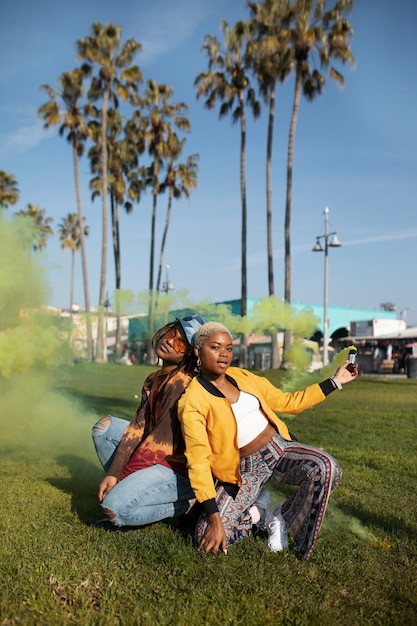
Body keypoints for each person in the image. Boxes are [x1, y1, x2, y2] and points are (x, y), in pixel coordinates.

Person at [178, 321, 358, 560]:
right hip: (245, 471)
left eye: (229, 348)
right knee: (204, 536)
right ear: (198, 351)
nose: (224, 354)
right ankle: (258, 513)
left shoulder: (241, 376)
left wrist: (334, 381)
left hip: (279, 449)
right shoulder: (192, 400)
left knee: (327, 468)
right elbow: (198, 460)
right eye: (216, 347)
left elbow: (289, 402)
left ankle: (280, 515)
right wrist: (213, 515)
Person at [92, 314, 205, 527]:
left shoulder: (182, 385)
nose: (170, 341)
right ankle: (129, 490)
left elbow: (158, 445)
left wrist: (120, 477)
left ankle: (186, 504)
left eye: (180, 342)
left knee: (114, 509)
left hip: (178, 470)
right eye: (171, 333)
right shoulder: (155, 378)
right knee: (104, 429)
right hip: (155, 455)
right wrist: (113, 473)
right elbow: (137, 427)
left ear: (190, 355)